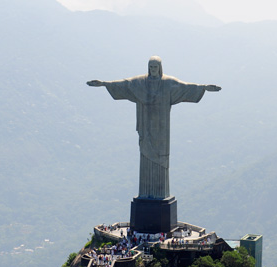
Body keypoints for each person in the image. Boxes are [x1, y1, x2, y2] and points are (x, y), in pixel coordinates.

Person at [87, 56, 220, 199]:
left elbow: (186, 87)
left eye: (155, 67)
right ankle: (145, 194)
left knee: (161, 159)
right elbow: (124, 85)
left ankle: (160, 194)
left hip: (161, 132)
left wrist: (204, 88)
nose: (153, 70)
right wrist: (104, 84)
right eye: (151, 67)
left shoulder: (168, 83)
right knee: (145, 156)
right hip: (146, 128)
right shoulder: (140, 83)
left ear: (160, 68)